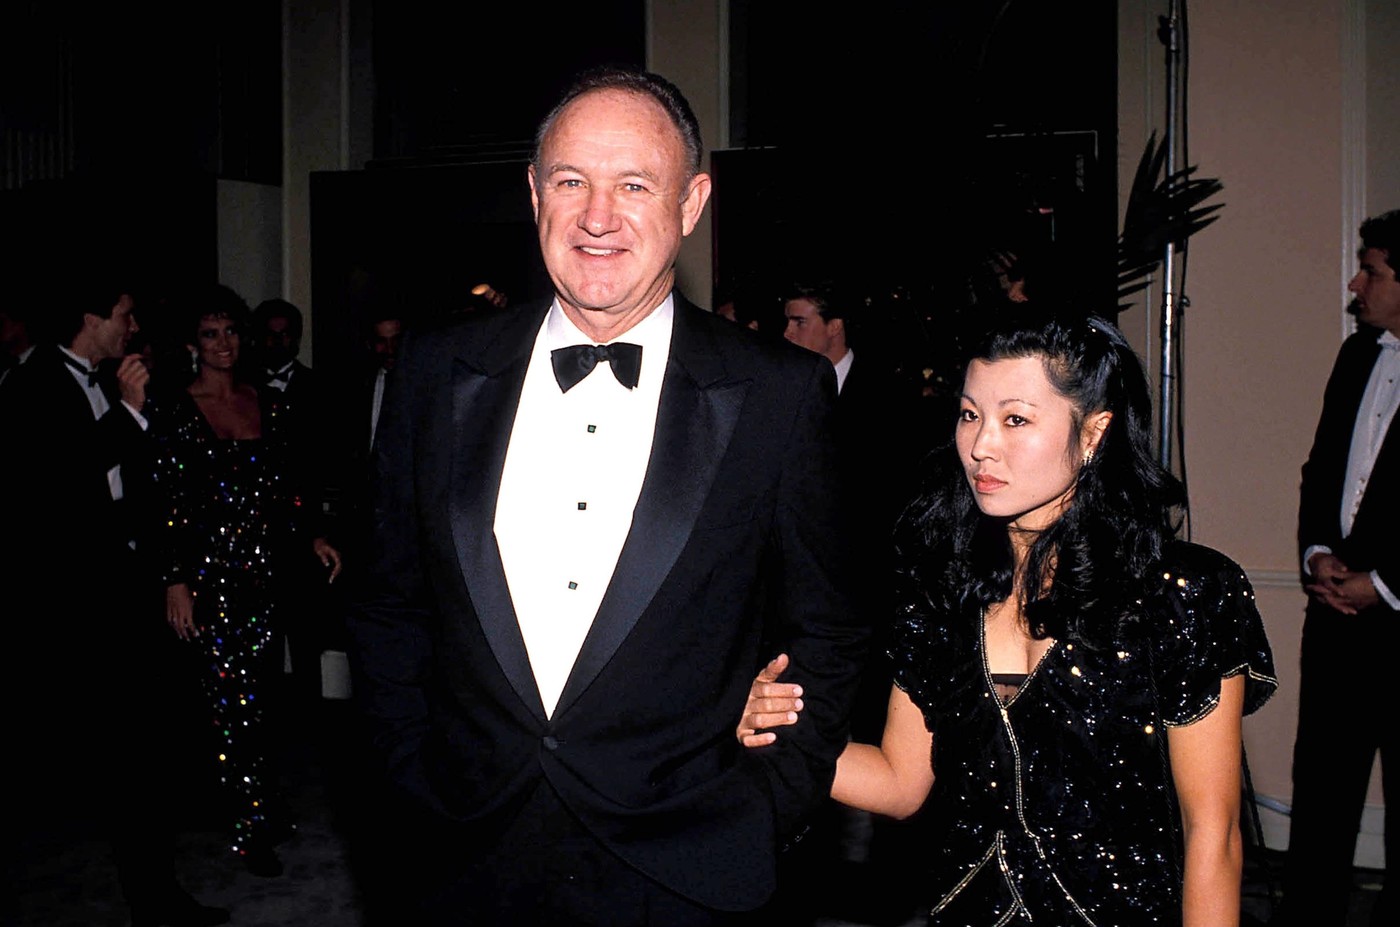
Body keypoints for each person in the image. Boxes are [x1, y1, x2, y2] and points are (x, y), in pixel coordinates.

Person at [346, 65, 868, 926]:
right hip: (461, 847)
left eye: (633, 185)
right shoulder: (435, 371)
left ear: (691, 204)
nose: (598, 216)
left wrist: (769, 802)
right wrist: (404, 773)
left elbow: (830, 631)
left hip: (686, 862)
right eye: (570, 182)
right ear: (533, 194)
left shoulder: (779, 395)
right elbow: (387, 603)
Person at [740, 306, 1277, 926]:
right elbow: (897, 784)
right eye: (970, 415)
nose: (980, 446)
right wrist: (762, 723)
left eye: (1015, 419)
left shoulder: (1182, 593)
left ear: (1095, 432)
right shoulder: (944, 589)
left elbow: (1213, 833)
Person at [0, 277, 229, 927]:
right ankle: (152, 896)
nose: (133, 327)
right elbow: (57, 487)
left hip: (127, 591)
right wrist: (128, 414)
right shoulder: (32, 385)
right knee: (124, 757)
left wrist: (167, 570)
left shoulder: (104, 379)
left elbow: (132, 486)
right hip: (79, 606)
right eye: (124, 315)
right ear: (90, 317)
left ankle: (156, 893)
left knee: (143, 754)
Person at [148, 284, 341, 879]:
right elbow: (167, 502)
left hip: (267, 573)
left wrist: (313, 536)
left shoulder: (268, 402)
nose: (223, 343)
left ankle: (257, 803)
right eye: (210, 334)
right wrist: (175, 580)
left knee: (260, 698)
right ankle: (248, 823)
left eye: (231, 330)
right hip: (209, 580)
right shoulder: (175, 408)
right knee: (228, 702)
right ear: (192, 343)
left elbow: (289, 488)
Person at [1277, 208, 1400, 927]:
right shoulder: (1357, 355)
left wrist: (1384, 585)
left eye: (1372, 271)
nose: (1357, 284)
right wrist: (1316, 554)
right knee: (1322, 786)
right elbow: (1321, 468)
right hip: (1334, 617)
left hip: (1399, 618)